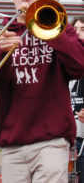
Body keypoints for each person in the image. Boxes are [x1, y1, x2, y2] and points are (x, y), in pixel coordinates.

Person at [0, 0, 84, 183]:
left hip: (52, 141)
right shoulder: (1, 36)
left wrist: (49, 29)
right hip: (13, 145)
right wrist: (1, 52)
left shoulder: (62, 29)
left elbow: (80, 65)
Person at [69, 16, 84, 182]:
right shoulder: (67, 64)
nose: (78, 33)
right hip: (71, 141)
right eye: (75, 29)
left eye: (83, 29)